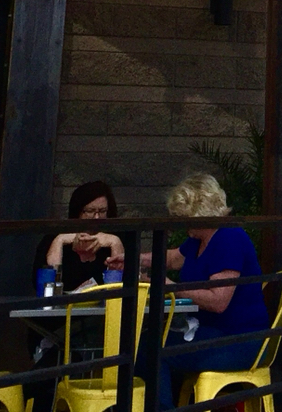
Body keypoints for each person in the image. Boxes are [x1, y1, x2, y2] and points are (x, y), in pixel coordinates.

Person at [145, 174, 269, 411]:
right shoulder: (200, 238)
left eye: (185, 217)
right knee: (148, 343)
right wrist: (130, 259)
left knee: (152, 350)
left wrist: (171, 287)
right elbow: (172, 258)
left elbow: (218, 300)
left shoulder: (229, 237)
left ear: (199, 212)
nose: (182, 223)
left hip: (239, 340)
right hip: (211, 332)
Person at [34, 181, 124, 291]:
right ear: (78, 211)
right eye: (90, 211)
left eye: (102, 211)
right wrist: (60, 240)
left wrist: (115, 242)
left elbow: (120, 286)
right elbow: (46, 286)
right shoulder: (54, 237)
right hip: (64, 300)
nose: (97, 217)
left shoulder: (117, 236)